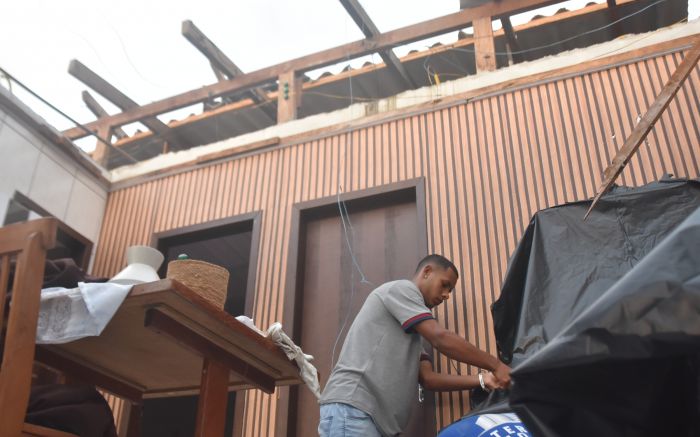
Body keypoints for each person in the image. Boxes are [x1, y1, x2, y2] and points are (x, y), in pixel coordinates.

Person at [319, 254, 511, 437]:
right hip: (354, 410)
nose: (446, 295)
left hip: (369, 420)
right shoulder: (402, 289)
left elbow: (428, 379)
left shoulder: (412, 333)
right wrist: (496, 365)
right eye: (445, 285)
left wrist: (482, 380)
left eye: (450, 291)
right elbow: (440, 337)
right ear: (426, 272)